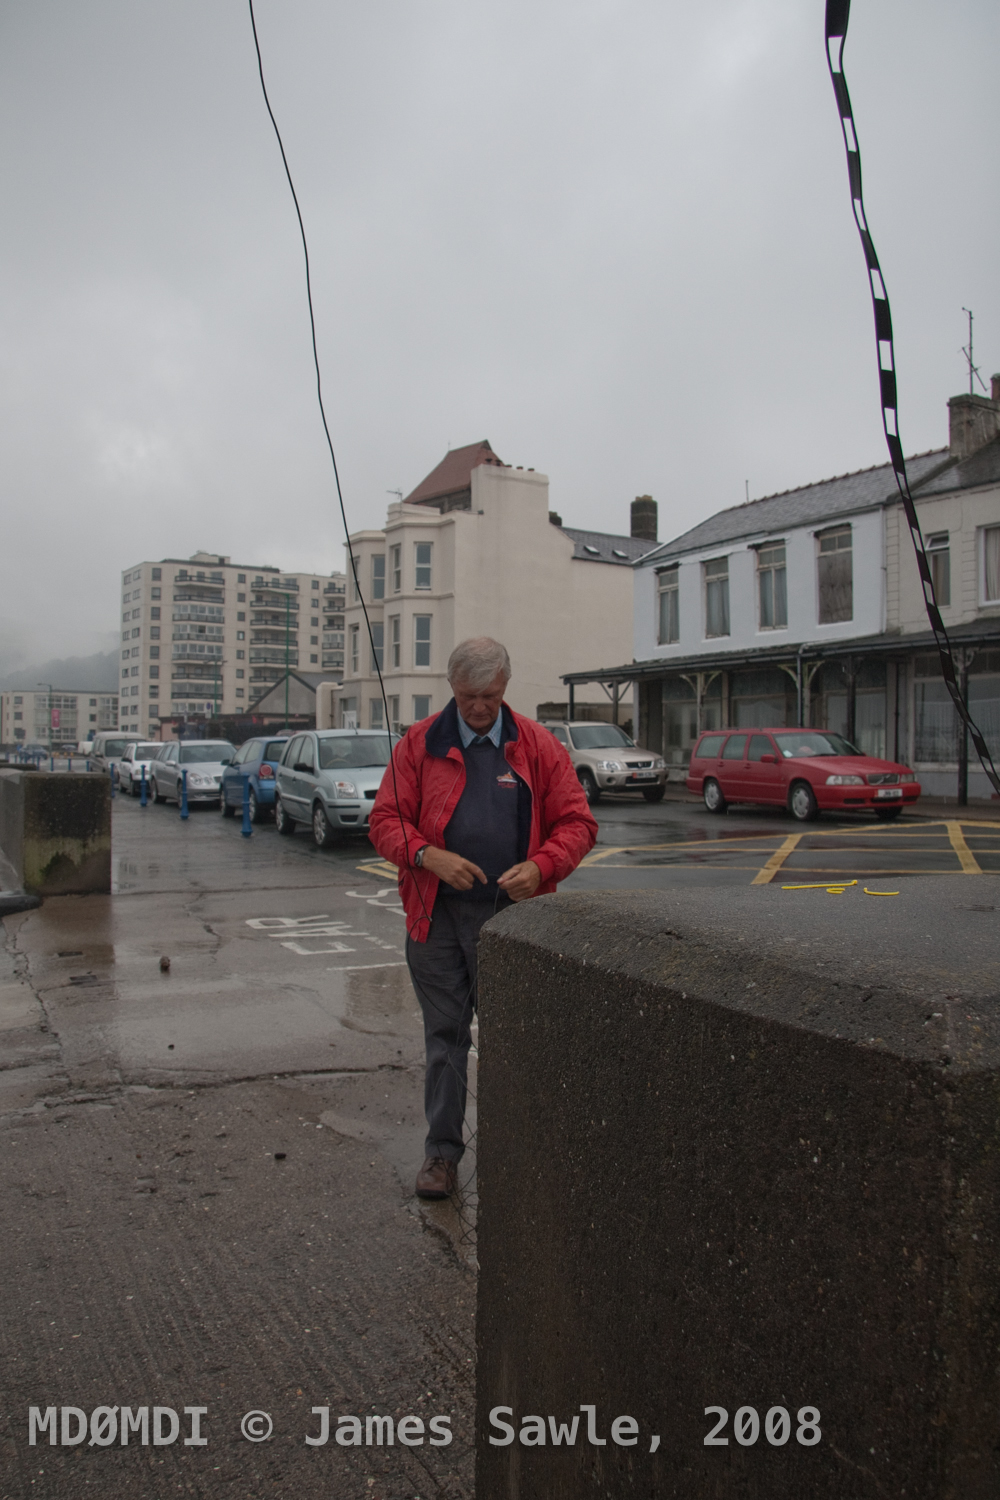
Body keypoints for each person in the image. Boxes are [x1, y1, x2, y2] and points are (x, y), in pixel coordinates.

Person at [368, 637, 598, 1199]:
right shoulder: (418, 745)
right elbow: (384, 821)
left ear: (505, 688)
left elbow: (579, 823)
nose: (480, 709)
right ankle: (442, 1155)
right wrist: (428, 855)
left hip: (513, 919)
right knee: (445, 1038)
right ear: (452, 688)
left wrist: (542, 866)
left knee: (519, 1038)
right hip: (437, 919)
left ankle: (526, 1154)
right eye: (470, 696)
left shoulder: (538, 744)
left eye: (491, 697)